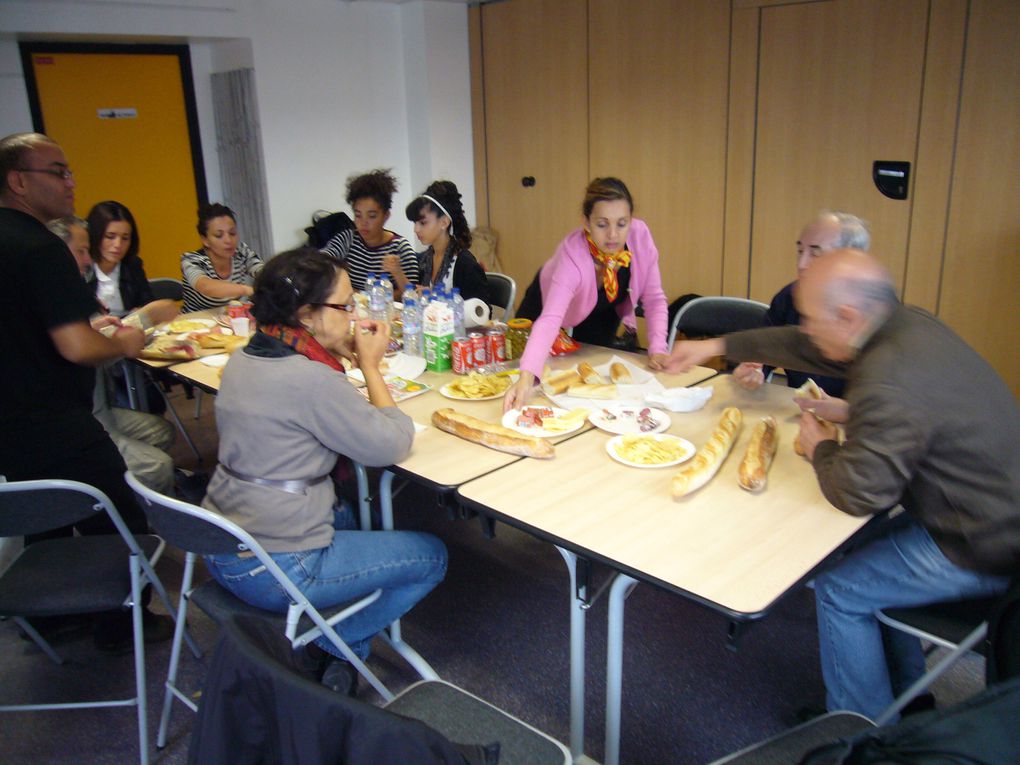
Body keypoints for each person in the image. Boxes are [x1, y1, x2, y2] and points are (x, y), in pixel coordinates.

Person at [665, 249, 1020, 720]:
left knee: (840, 590)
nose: (805, 327)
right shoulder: (904, 327)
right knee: (859, 556)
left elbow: (858, 493)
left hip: (982, 542)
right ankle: (907, 699)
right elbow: (810, 347)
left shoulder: (889, 376)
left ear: (848, 316)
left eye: (811, 318)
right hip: (987, 512)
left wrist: (820, 448)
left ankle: (857, 731)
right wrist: (716, 348)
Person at [202, 247, 447, 692]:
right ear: (307, 315)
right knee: (432, 556)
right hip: (275, 568)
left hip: (219, 542)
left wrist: (339, 359)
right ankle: (334, 646)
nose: (354, 316)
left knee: (356, 517)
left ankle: (341, 614)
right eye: (345, 306)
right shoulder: (310, 378)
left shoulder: (245, 358)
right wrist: (370, 366)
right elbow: (390, 442)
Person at [0, 132, 171, 649]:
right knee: (121, 513)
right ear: (18, 181)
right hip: (53, 415)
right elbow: (75, 346)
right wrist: (125, 343)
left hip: (11, 416)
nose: (71, 182)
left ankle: (48, 616)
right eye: (58, 172)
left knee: (40, 509)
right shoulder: (38, 247)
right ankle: (124, 626)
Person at [504, 177, 670, 411]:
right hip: (548, 299)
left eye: (622, 224)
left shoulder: (640, 238)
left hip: (603, 306)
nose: (613, 235)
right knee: (529, 370)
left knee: (590, 376)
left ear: (631, 220)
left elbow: (654, 299)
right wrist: (526, 377)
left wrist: (658, 349)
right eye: (602, 224)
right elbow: (550, 319)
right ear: (586, 222)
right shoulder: (572, 256)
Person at [49, 216, 176, 496]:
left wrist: (97, 326)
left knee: (162, 432)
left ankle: (127, 492)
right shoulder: (54, 297)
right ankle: (135, 519)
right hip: (83, 418)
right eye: (81, 251)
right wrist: (141, 321)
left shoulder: (76, 288)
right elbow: (81, 349)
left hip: (99, 405)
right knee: (159, 466)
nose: (87, 260)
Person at [733, 211, 870, 396]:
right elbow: (764, 351)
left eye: (815, 253)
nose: (802, 264)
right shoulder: (790, 296)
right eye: (800, 251)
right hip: (798, 412)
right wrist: (754, 370)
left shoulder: (874, 314)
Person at [320, 168, 420, 293]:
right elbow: (321, 259)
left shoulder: (400, 247)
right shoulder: (348, 239)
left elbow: (412, 293)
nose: (363, 223)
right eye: (358, 215)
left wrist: (372, 300)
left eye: (372, 216)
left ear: (386, 216)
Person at [404, 180, 490, 305]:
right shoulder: (424, 259)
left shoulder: (464, 264)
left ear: (444, 222)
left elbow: (482, 311)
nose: (416, 229)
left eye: (423, 223)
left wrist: (437, 298)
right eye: (415, 223)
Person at [181, 202, 264, 312]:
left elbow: (264, 272)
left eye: (232, 233)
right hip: (195, 323)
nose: (228, 240)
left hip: (229, 321)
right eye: (219, 235)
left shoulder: (241, 251)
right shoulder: (192, 260)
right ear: (205, 240)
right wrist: (245, 290)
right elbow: (206, 286)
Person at [85, 200, 155, 317]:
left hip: (130, 331)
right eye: (110, 236)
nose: (118, 244)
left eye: (125, 238)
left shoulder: (133, 266)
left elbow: (147, 304)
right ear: (95, 235)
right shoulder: (80, 267)